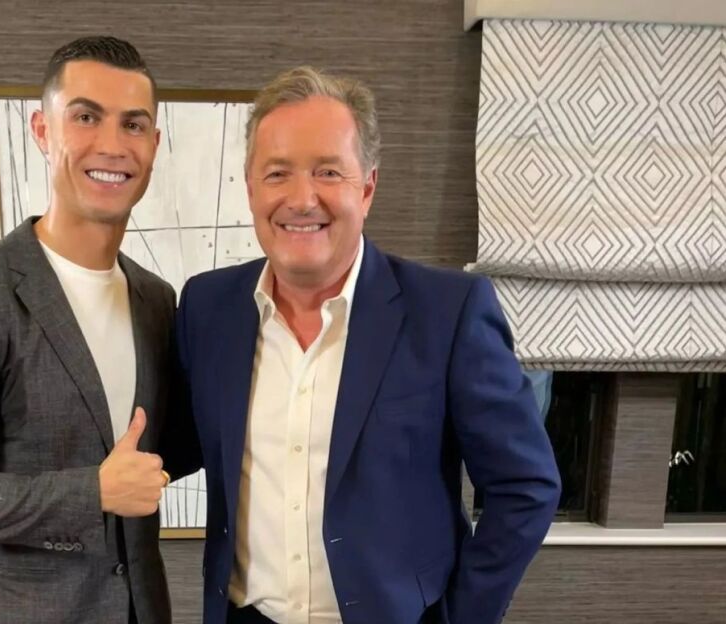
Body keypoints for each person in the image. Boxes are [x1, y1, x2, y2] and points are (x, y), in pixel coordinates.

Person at [170, 66, 562, 624]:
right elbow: (177, 444)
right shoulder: (208, 308)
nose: (301, 199)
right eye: (277, 173)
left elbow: (526, 485)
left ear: (368, 188)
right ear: (251, 188)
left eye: (328, 172)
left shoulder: (447, 312)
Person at [0, 36, 176, 624]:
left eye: (133, 124)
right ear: (42, 130)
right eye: (86, 117)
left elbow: (161, 449)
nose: (112, 144)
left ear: (154, 144)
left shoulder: (157, 299)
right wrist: (91, 493)